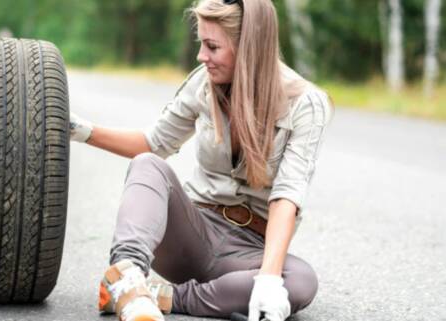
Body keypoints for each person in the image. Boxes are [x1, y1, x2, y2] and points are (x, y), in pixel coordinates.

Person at [70, 0, 333, 320]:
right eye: (201, 44)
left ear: (248, 48)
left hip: (248, 252)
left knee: (301, 282)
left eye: (212, 46)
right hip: (192, 236)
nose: (201, 56)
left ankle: (161, 297)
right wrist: (79, 130)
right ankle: (128, 277)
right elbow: (153, 143)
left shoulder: (307, 105)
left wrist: (266, 279)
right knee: (147, 164)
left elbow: (286, 197)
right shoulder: (202, 83)